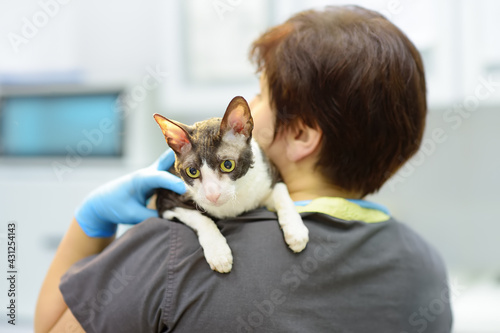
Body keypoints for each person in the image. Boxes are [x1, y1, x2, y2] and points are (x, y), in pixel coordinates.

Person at [35, 5, 452, 332]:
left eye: (260, 94)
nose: (248, 109)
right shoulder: (426, 267)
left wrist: (88, 223)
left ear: (303, 134)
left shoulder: (171, 250)